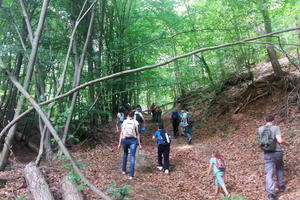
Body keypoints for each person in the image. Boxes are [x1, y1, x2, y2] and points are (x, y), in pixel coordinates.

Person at [258, 115, 289, 200]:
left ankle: (271, 194)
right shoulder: (276, 128)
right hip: (277, 152)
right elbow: (280, 140)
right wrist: (286, 144)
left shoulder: (260, 129)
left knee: (269, 173)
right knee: (279, 168)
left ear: (265, 120)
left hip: (267, 153)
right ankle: (281, 186)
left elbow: (261, 141)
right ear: (273, 121)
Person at [117, 111, 142, 180]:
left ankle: (124, 170)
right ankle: (131, 175)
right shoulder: (135, 122)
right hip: (133, 141)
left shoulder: (124, 122)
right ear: (133, 116)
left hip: (124, 140)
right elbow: (138, 134)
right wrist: (139, 144)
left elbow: (121, 133)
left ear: (128, 115)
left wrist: (119, 143)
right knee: (132, 156)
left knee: (125, 154)